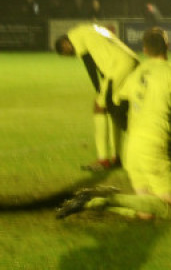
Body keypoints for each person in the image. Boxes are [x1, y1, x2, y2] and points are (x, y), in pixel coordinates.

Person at [57, 27, 171, 220]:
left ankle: (93, 202)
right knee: (169, 211)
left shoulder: (134, 77)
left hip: (132, 150)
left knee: (145, 214)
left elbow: (116, 107)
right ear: (168, 46)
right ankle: (101, 199)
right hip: (155, 146)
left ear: (144, 50)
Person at [55, 24, 139, 171]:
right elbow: (101, 53)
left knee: (99, 107)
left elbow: (89, 63)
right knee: (112, 107)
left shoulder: (75, 36)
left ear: (65, 44)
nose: (71, 55)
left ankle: (103, 160)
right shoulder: (89, 28)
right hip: (130, 60)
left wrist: (98, 89)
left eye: (66, 53)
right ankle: (116, 157)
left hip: (118, 66)